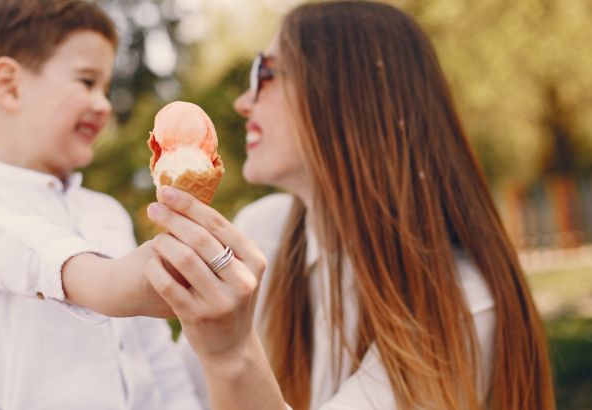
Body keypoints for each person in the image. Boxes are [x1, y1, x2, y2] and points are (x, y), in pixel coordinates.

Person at [141, 1, 556, 409]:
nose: (243, 102)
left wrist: (230, 355)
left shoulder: (460, 306)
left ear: (348, 94)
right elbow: (177, 395)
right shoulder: (260, 231)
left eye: (264, 73)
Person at [0, 0, 201, 408]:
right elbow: (23, 247)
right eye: (86, 81)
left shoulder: (107, 213)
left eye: (106, 87)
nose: (103, 104)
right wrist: (105, 281)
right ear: (10, 85)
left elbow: (154, 357)